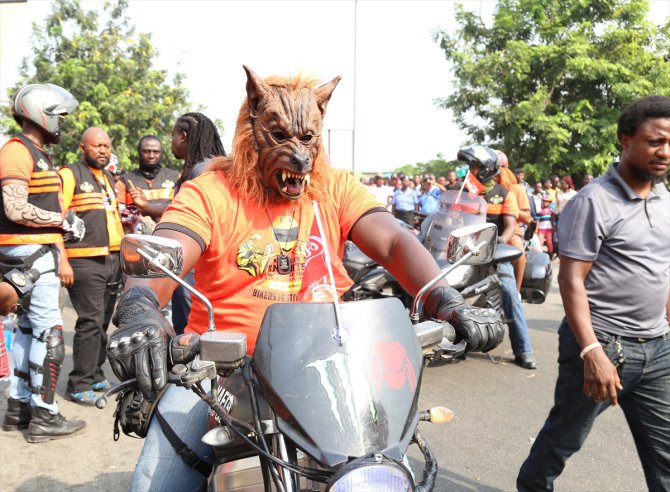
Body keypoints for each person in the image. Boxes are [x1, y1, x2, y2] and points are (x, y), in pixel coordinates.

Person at [106, 67, 504, 489]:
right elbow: (168, 249)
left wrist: (445, 299)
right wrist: (140, 308)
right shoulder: (211, 192)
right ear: (252, 123)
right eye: (280, 138)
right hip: (218, 374)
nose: (299, 156)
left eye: (308, 140)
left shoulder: (334, 188)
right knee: (155, 480)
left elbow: (393, 242)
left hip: (331, 369)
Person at [517, 95, 670, 491]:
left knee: (665, 456)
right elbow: (571, 281)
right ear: (625, 140)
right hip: (603, 346)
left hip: (656, 347)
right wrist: (592, 352)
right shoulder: (593, 201)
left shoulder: (663, 197)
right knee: (562, 442)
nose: (664, 151)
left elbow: (660, 269)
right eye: (654, 141)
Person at [0, 83, 86, 441]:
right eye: (59, 117)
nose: (62, 124)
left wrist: (64, 223)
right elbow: (14, 207)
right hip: (29, 255)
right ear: (41, 112)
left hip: (34, 253)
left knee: (26, 331)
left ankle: (18, 408)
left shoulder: (36, 153)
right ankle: (46, 415)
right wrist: (60, 221)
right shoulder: (18, 151)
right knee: (49, 332)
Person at [58, 127, 124, 405]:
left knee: (103, 322)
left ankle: (95, 373)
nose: (103, 151)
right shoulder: (69, 174)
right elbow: (56, 219)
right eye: (97, 146)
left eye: (107, 146)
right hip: (83, 260)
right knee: (89, 321)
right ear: (82, 148)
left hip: (112, 259)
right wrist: (62, 260)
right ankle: (78, 383)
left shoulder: (108, 177)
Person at [457, 145, 537, 369]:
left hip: (494, 255)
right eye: (469, 166)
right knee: (446, 293)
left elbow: (511, 225)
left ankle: (524, 350)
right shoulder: (463, 191)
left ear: (486, 169)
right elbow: (450, 216)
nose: (470, 170)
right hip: (464, 253)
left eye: (474, 166)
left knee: (511, 294)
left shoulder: (505, 194)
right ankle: (454, 341)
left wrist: (501, 239)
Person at [168, 112, 227, 335]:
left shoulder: (202, 171)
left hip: (198, 265)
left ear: (183, 136)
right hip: (210, 264)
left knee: (190, 335)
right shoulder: (213, 166)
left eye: (172, 136)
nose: (171, 143)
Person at [115, 135, 179, 232]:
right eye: (146, 151)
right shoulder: (125, 181)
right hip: (137, 240)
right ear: (139, 153)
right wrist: (139, 216)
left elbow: (181, 209)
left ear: (161, 153)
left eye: (156, 152)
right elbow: (118, 215)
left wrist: (146, 206)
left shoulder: (176, 178)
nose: (151, 156)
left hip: (169, 236)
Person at [536, 193, 555, 259]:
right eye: (544, 201)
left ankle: (550, 254)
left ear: (549, 203)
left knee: (549, 242)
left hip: (549, 229)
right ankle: (539, 254)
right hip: (541, 229)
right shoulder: (539, 211)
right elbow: (538, 221)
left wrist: (553, 227)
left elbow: (552, 220)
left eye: (546, 202)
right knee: (540, 242)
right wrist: (536, 229)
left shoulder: (551, 211)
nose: (545, 203)